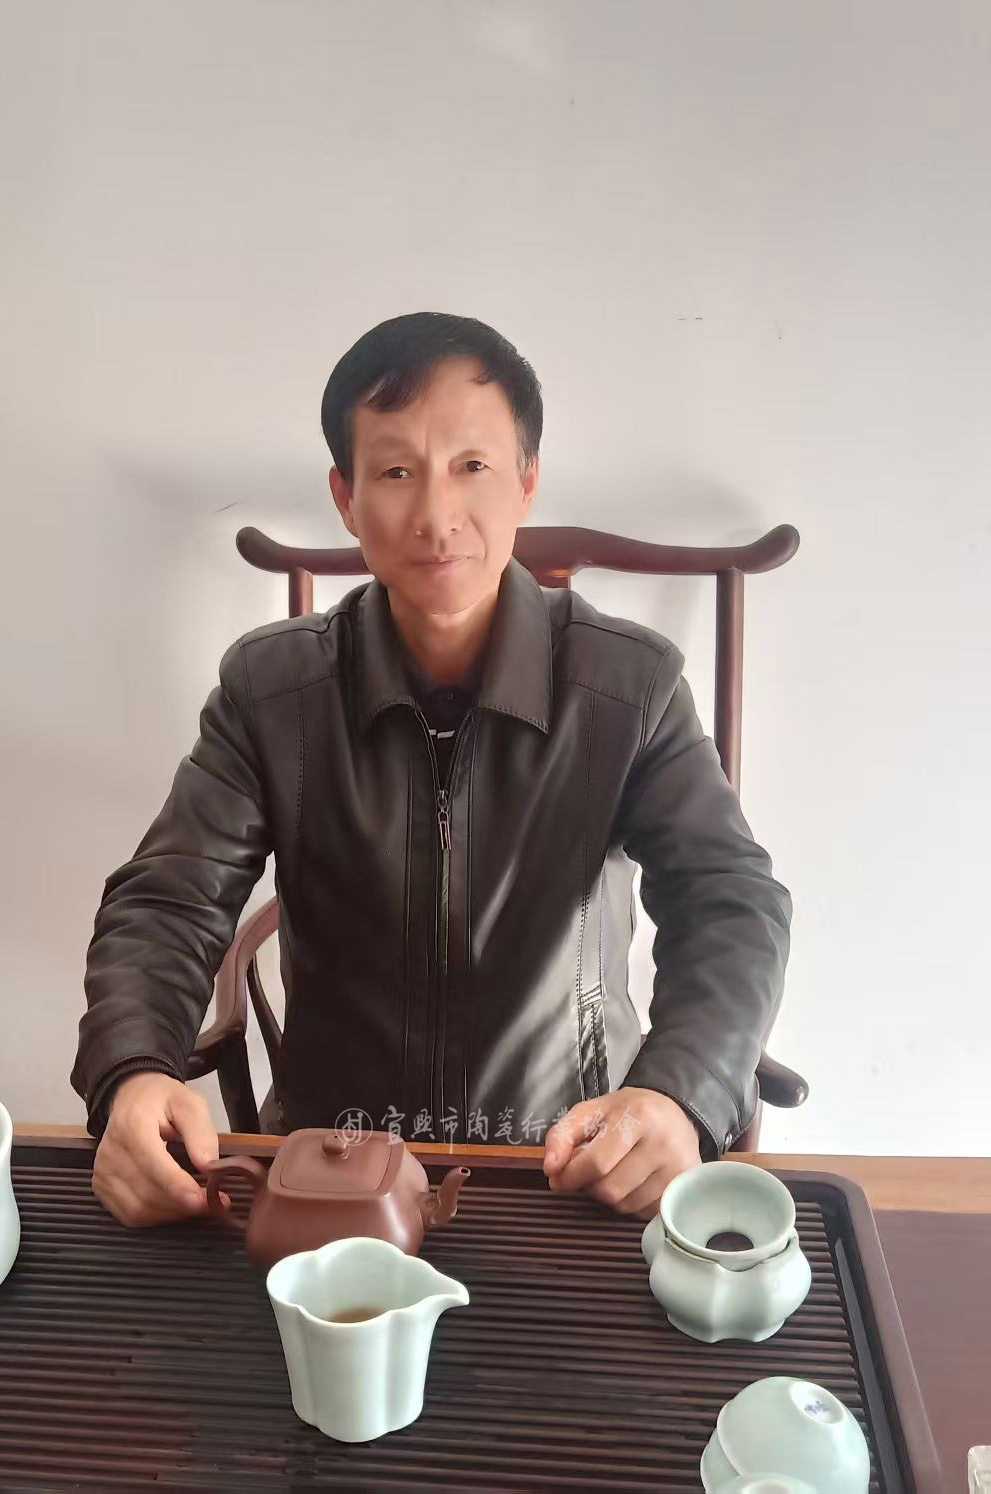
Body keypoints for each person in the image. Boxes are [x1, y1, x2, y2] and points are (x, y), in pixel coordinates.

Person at [72, 311, 792, 1229]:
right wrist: (133, 1071)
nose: (438, 517)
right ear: (346, 497)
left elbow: (731, 899)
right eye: (397, 473)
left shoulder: (630, 688)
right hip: (333, 1168)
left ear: (526, 479)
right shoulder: (272, 691)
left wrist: (679, 1093)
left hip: (571, 1159)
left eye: (473, 466)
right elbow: (169, 901)